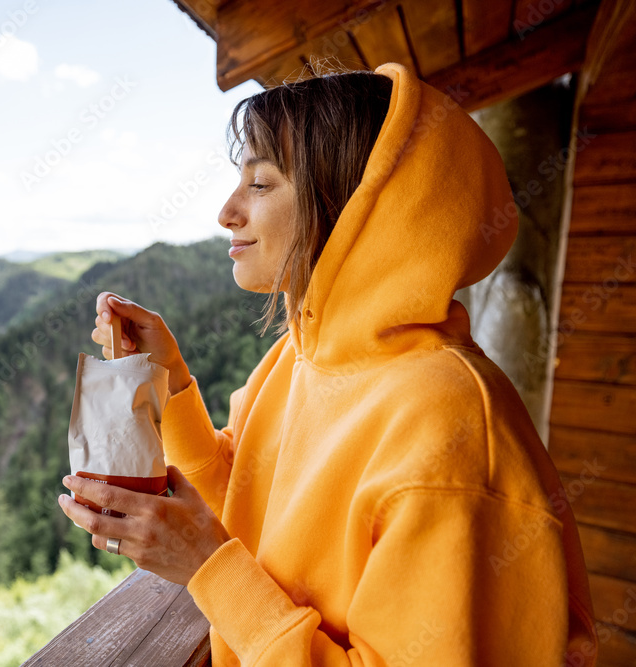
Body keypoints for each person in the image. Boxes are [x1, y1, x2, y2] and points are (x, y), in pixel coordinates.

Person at [57, 62, 598, 666]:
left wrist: (209, 567)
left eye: (260, 184)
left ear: (357, 206)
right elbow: (243, 494)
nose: (227, 211)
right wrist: (172, 384)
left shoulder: (447, 425)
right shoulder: (302, 353)